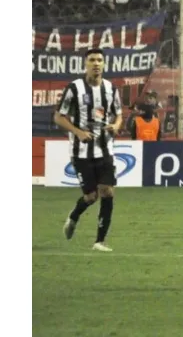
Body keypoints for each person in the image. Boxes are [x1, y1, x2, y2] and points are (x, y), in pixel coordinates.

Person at [58, 48, 123, 252]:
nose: (96, 63)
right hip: (81, 153)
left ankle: (99, 242)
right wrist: (78, 132)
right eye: (92, 60)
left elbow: (119, 114)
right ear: (85, 64)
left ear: (104, 64)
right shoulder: (74, 88)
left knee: (107, 192)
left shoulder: (111, 89)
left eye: (100, 60)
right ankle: (74, 216)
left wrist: (116, 125)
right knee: (90, 197)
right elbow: (59, 117)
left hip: (105, 150)